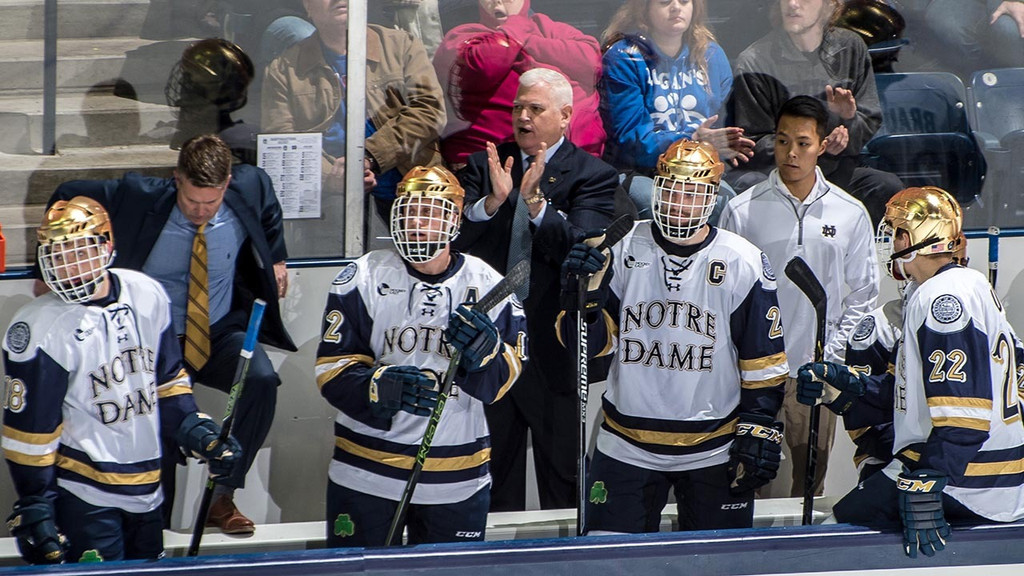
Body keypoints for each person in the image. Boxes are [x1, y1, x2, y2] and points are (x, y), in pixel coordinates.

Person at [45, 134, 295, 535]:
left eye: (210, 202)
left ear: (227, 183)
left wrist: (277, 256)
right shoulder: (138, 195)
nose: (200, 211)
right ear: (177, 179)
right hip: (154, 344)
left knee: (261, 380)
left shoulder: (251, 185)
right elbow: (66, 194)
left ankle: (222, 495)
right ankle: (157, 524)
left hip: (218, 331)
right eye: (192, 200)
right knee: (161, 426)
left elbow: (266, 205)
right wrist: (50, 268)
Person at [560, 139, 789, 533]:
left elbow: (763, 361)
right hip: (625, 444)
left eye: (693, 193)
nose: (681, 204)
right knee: (610, 558)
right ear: (657, 190)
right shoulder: (620, 245)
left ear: (711, 198)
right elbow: (587, 348)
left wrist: (758, 426)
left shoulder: (743, 260)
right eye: (673, 190)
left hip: (713, 448)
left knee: (715, 560)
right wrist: (582, 297)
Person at [3, 197, 240, 563]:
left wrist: (195, 429)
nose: (69, 267)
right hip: (84, 494)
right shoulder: (38, 328)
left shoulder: (146, 293)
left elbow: (167, 383)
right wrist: (37, 501)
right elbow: (31, 434)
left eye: (79, 252)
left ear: (107, 245)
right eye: (58, 256)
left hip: (149, 489)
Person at [314, 165, 527, 546]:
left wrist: (484, 355)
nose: (416, 223)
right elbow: (331, 369)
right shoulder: (362, 277)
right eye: (409, 212)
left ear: (453, 220)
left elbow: (502, 383)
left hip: (456, 478)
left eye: (428, 212)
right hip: (366, 472)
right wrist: (377, 387)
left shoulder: (488, 284)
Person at [806, 186, 1024, 558]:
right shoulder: (969, 284)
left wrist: (928, 481)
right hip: (985, 470)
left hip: (968, 479)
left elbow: (964, 414)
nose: (891, 241)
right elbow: (916, 391)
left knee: (827, 541)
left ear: (917, 239)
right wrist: (850, 389)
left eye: (897, 232)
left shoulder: (941, 297)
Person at [453, 67, 618, 511]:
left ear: (565, 116)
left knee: (564, 481)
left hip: (552, 349)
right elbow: (454, 246)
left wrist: (535, 204)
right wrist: (492, 203)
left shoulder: (593, 175)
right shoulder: (485, 165)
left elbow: (580, 250)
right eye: (517, 108)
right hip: (490, 347)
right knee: (492, 479)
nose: (522, 117)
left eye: (535, 108)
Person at [719, 95, 879, 498]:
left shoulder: (850, 212)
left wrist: (831, 357)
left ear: (822, 145)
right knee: (745, 479)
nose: (791, 152)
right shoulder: (741, 210)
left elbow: (863, 293)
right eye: (782, 140)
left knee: (809, 486)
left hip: (816, 372)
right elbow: (723, 297)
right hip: (753, 373)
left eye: (803, 143)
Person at [262, 0, 447, 221]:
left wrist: (367, 156)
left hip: (414, 192)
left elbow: (430, 111)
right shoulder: (283, 70)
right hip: (329, 203)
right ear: (307, 6)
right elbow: (281, 143)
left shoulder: (401, 45)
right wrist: (331, 178)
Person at [727, 0, 903, 225]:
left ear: (829, 5)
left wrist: (848, 120)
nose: (792, 4)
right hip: (781, 178)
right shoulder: (754, 61)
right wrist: (812, 148)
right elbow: (755, 141)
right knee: (752, 187)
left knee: (884, 186)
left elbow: (869, 119)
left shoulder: (851, 47)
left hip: (837, 171)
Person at [599, 0, 754, 219]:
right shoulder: (625, 56)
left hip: (700, 168)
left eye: (684, 1)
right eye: (665, 1)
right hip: (642, 170)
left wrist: (727, 141)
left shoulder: (711, 54)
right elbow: (630, 140)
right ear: (645, 7)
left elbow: (723, 119)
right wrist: (693, 139)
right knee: (663, 206)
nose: (676, 7)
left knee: (728, 204)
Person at [432, 0, 605, 168]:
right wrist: (516, 26)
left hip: (576, 163)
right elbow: (484, 65)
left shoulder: (550, 28)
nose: (498, 1)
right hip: (492, 167)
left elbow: (592, 64)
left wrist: (527, 42)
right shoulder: (463, 35)